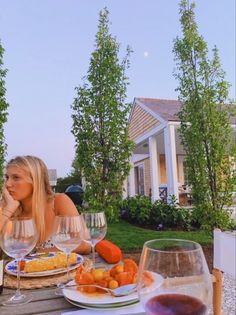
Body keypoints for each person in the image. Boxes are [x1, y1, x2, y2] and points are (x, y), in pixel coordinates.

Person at [0, 155, 91, 254]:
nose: (7, 184)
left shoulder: (58, 202)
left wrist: (36, 251)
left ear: (35, 181)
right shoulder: (7, 210)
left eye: (16, 177)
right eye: (7, 177)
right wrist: (9, 209)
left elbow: (84, 245)